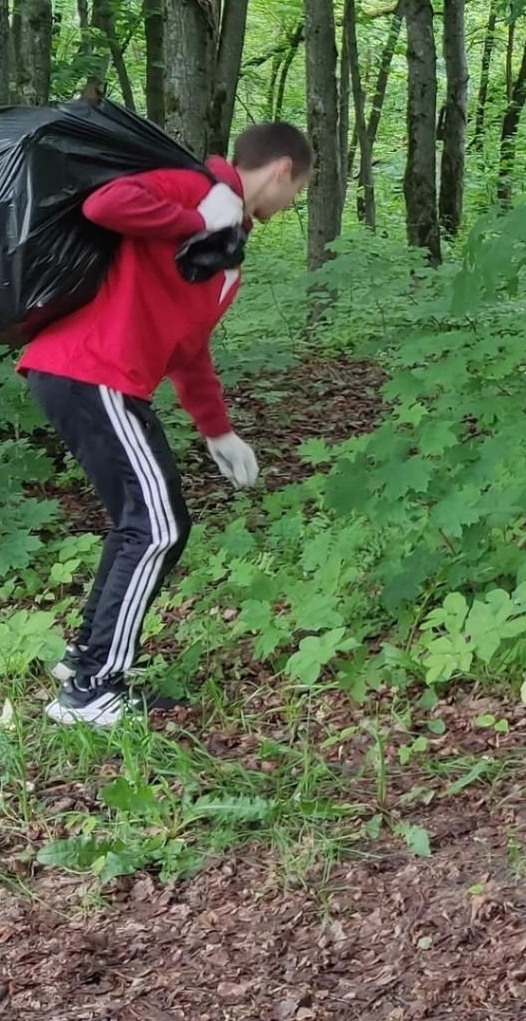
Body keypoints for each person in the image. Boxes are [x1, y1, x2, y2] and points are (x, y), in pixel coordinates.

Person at [24, 121, 313, 727]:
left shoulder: (231, 240)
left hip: (100, 378)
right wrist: (196, 219)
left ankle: (85, 660)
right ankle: (94, 689)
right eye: (299, 190)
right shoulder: (199, 189)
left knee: (142, 523)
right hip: (91, 370)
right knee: (157, 527)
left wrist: (218, 430)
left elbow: (189, 347)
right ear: (282, 169)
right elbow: (107, 202)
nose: (293, 205)